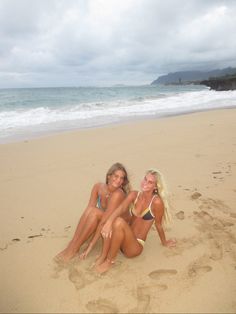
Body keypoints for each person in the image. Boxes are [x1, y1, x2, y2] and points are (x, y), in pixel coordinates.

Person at [95, 169, 176, 273]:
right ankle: (104, 254)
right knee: (113, 218)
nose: (145, 183)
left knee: (118, 222)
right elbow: (121, 208)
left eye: (150, 182)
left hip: (134, 247)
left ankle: (110, 261)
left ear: (155, 186)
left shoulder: (156, 202)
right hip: (122, 240)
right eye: (145, 179)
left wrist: (164, 242)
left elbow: (159, 225)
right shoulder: (134, 195)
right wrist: (109, 222)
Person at [55, 162, 130, 263]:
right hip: (106, 221)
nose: (118, 180)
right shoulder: (98, 187)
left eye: (121, 178)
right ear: (109, 176)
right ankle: (74, 245)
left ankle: (74, 249)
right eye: (116, 176)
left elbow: (104, 221)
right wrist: (73, 241)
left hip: (118, 227)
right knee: (91, 211)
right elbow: (87, 213)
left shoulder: (118, 194)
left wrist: (90, 246)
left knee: (94, 212)